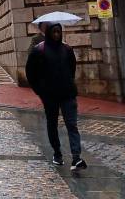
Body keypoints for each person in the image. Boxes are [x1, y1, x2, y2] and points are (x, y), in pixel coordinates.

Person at [25, 22, 87, 171]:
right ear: (48, 33)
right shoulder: (39, 50)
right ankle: (57, 153)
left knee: (72, 124)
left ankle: (76, 157)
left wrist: (68, 82)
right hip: (50, 96)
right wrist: (40, 91)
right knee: (52, 124)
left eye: (59, 32)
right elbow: (30, 73)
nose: (57, 35)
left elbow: (72, 68)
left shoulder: (67, 49)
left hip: (68, 94)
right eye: (54, 32)